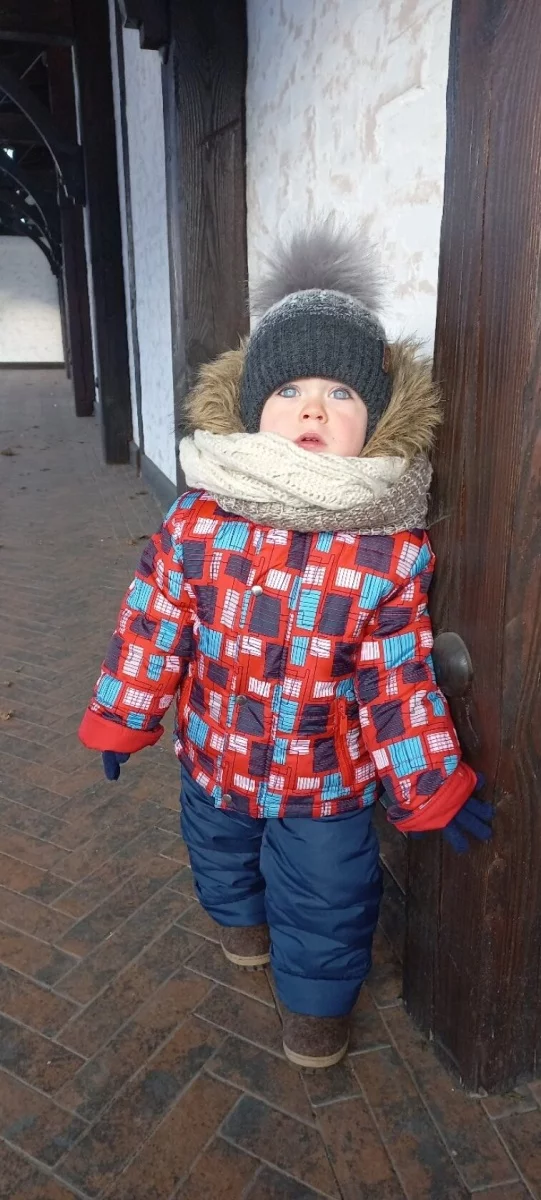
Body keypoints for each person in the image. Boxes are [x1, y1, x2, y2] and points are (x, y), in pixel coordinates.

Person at [79, 220, 493, 1070]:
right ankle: (239, 928)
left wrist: (428, 782)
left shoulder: (387, 549)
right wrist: (124, 714)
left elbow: (397, 680)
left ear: (375, 419)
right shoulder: (198, 520)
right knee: (220, 854)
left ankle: (314, 1012)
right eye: (291, 389)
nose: (313, 407)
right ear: (250, 409)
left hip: (325, 776)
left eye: (340, 393)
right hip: (216, 750)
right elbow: (154, 624)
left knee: (331, 895)